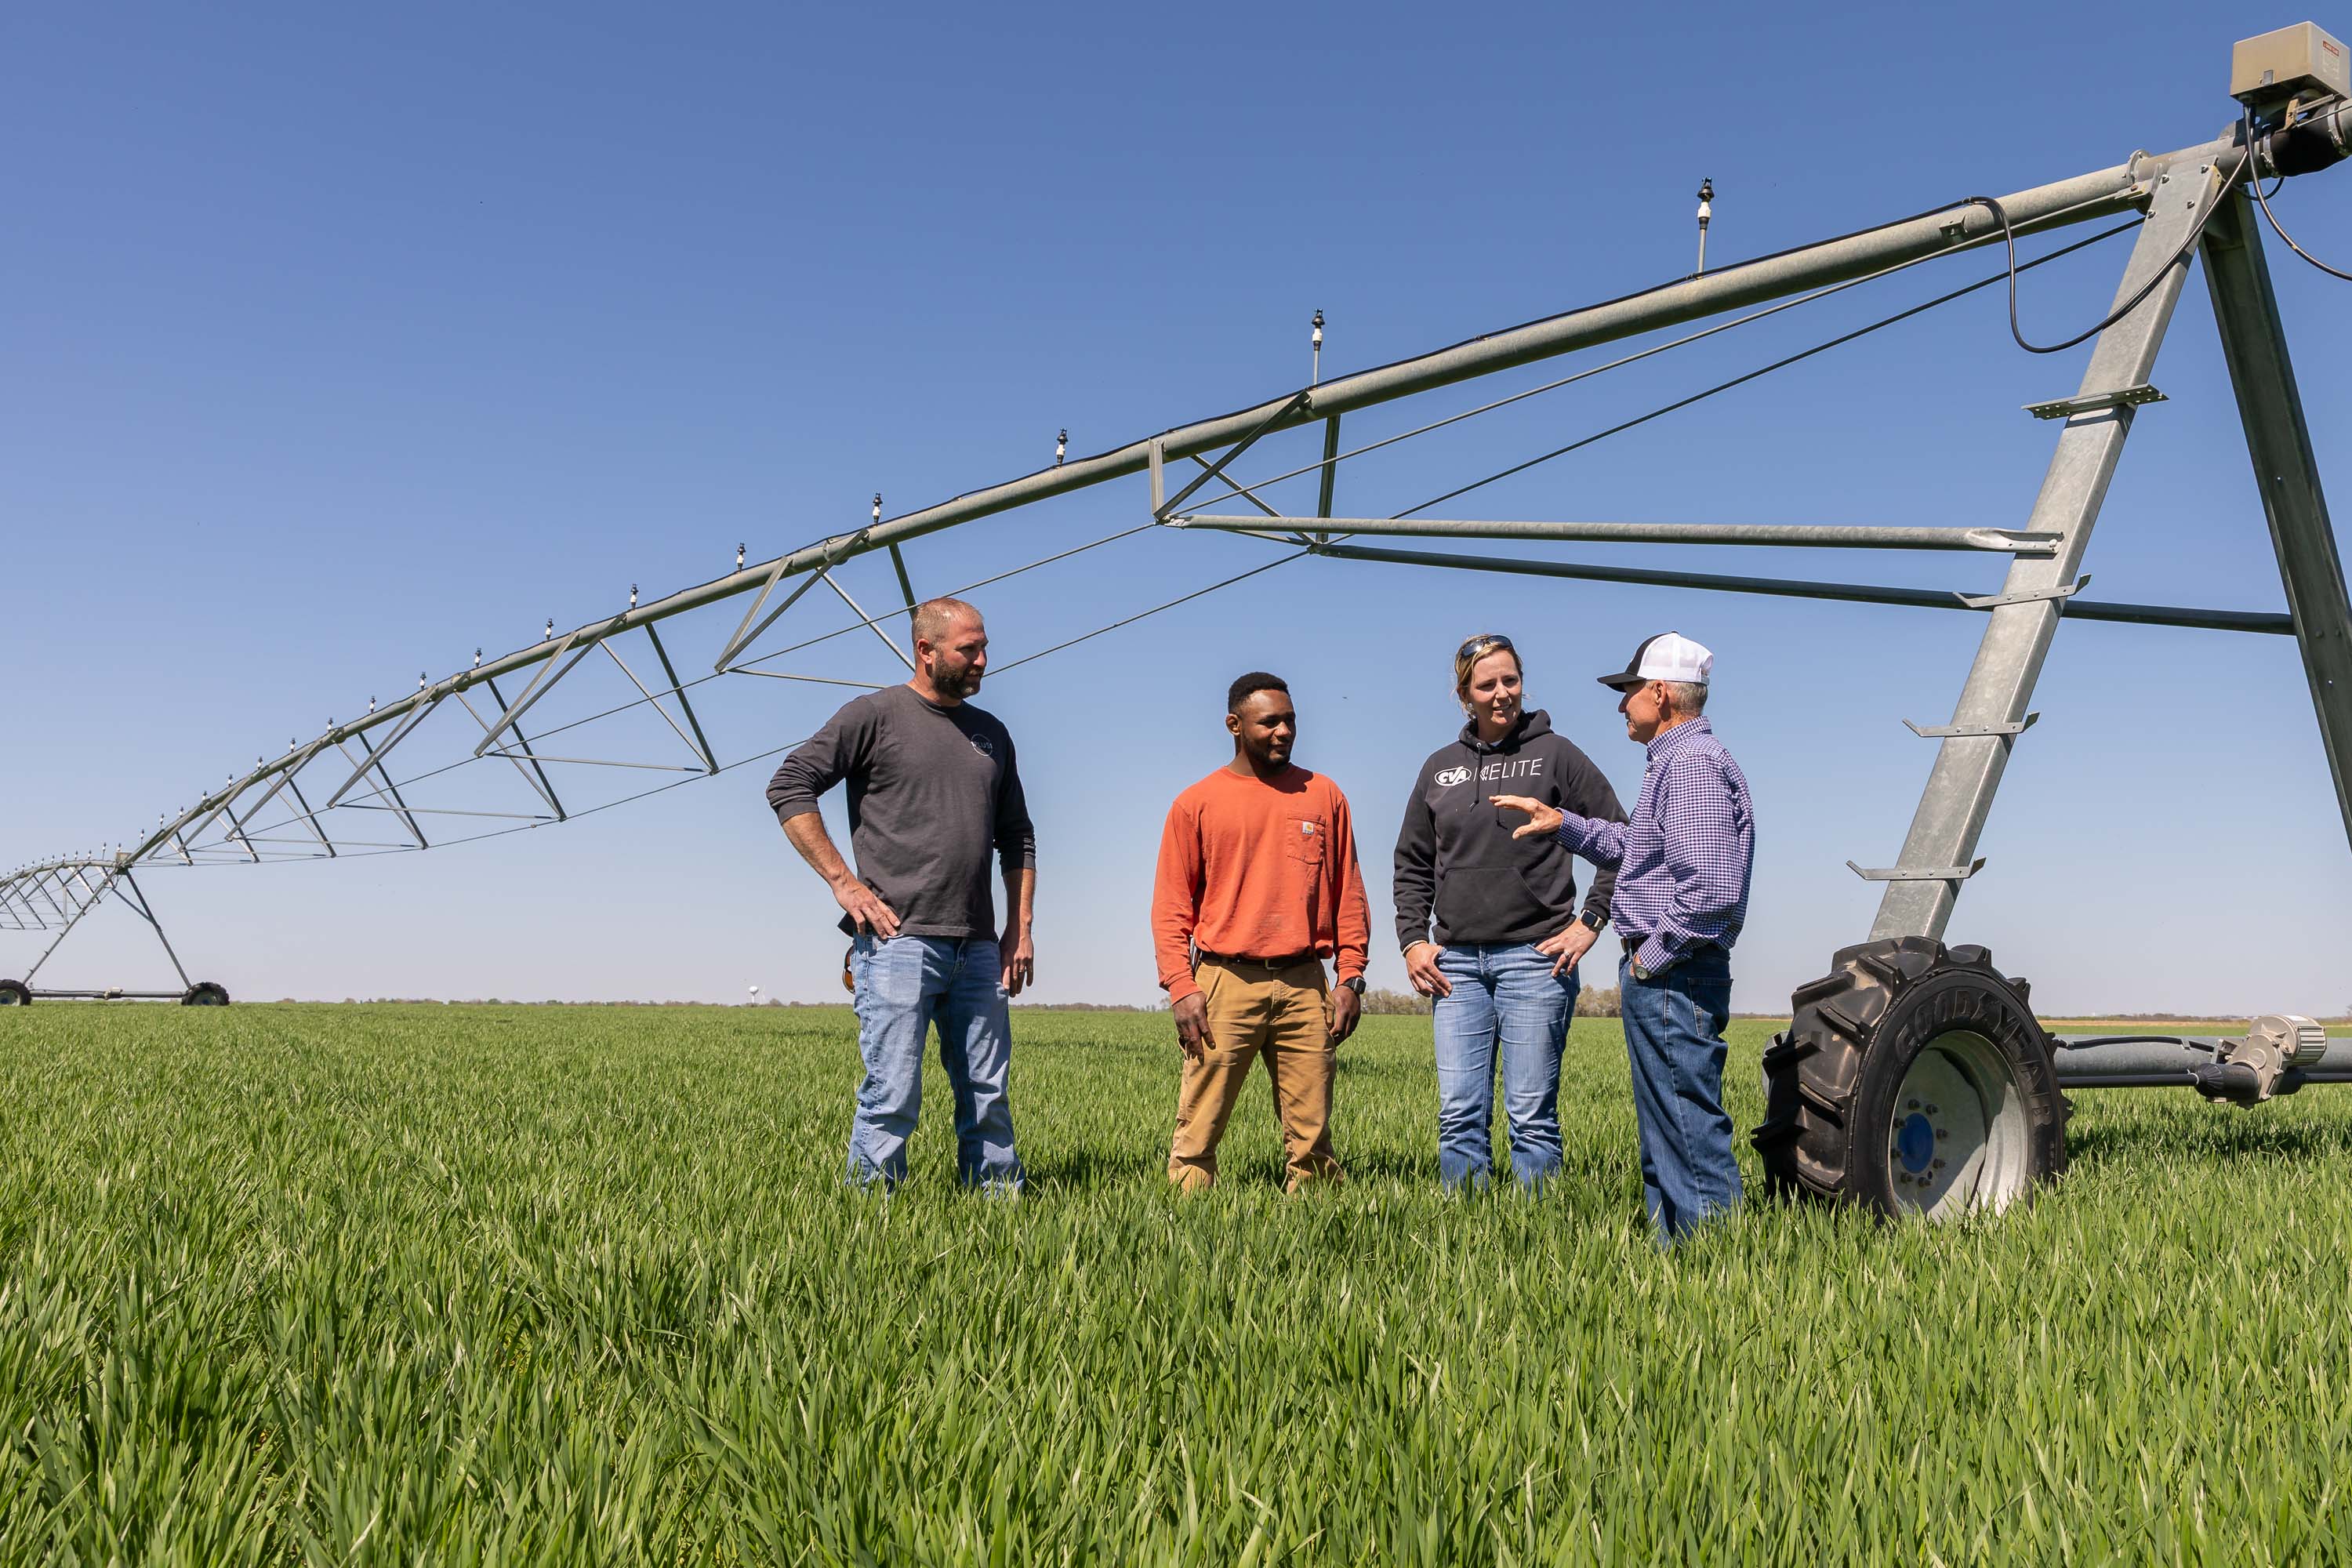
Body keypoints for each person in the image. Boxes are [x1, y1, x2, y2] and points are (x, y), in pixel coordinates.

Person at [765, 596, 1035, 1192]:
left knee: (988, 1096)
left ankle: (999, 1219)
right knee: (893, 1095)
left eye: (985, 647)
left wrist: (1021, 926)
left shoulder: (991, 734)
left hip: (979, 947)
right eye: (970, 649)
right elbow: (789, 785)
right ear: (926, 650)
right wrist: (844, 883)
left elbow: (1017, 836)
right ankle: (870, 1225)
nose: (983, 661)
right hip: (896, 942)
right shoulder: (874, 716)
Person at [1492, 631, 1753, 1241]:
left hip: (1673, 971)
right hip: (1672, 970)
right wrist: (1564, 825)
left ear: (1660, 694)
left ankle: (1716, 1262)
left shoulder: (1689, 765)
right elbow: (1642, 853)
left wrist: (1649, 960)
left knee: (1685, 1121)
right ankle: (1680, 1257)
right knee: (1668, 1123)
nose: (1621, 704)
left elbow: (1709, 889)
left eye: (1629, 691)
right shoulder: (1677, 763)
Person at [1394, 633, 1625, 1191]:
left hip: (1535, 960)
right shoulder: (1439, 768)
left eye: (1510, 680)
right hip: (1457, 969)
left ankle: (1535, 1245)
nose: (1502, 694)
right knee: (1458, 1117)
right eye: (1487, 684)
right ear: (1463, 695)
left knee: (1531, 1119)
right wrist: (1412, 940)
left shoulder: (1558, 755)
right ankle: (1465, 1243)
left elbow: (1623, 840)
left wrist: (1589, 922)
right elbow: (1412, 863)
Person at [1151, 673, 1370, 1192]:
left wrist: (1351, 976)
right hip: (1224, 982)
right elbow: (1170, 908)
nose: (1283, 731)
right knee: (1198, 1130)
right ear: (1234, 725)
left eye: (1290, 720)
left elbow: (1349, 894)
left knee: (1312, 1135)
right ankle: (1186, 1226)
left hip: (1304, 983)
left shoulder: (1324, 795)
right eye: (1269, 721)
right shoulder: (1196, 802)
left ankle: (1318, 1231)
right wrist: (1182, 987)